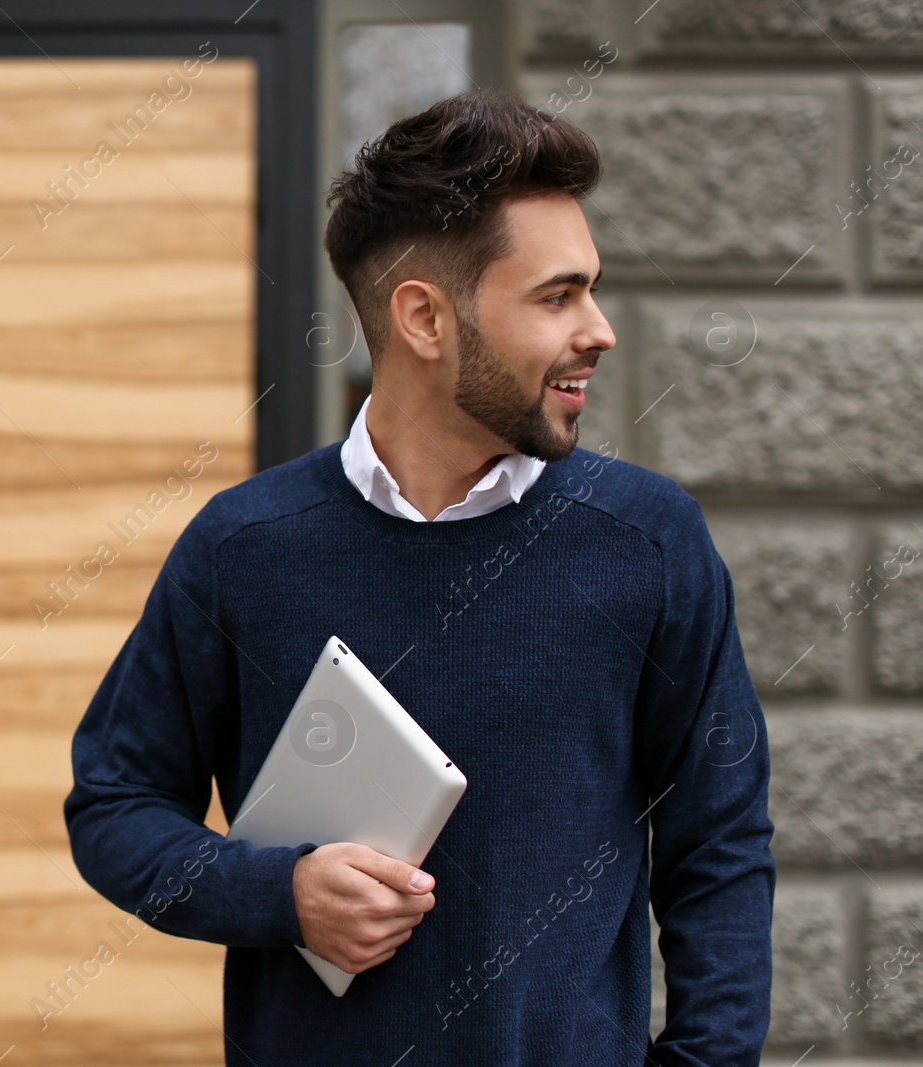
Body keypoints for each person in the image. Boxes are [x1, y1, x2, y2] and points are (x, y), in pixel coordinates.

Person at [63, 88, 775, 1065]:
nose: (599, 330)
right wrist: (279, 893)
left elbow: (718, 848)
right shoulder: (243, 547)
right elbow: (115, 803)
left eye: (590, 289)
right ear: (424, 318)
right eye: (557, 295)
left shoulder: (648, 541)